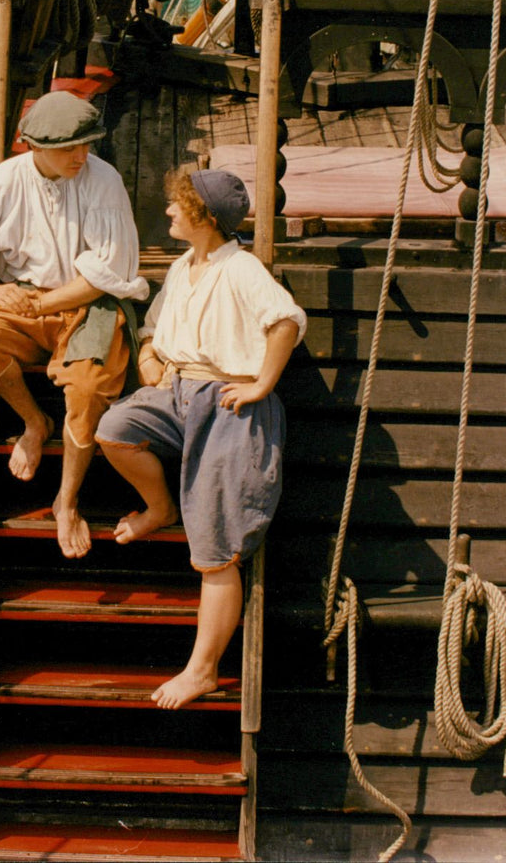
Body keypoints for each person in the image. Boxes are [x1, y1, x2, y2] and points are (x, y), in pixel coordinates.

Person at [96, 167, 306, 710]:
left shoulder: (241, 269)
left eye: (177, 205)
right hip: (179, 395)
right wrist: (148, 355)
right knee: (115, 429)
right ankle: (160, 506)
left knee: (214, 547)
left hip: (230, 405)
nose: (168, 212)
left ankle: (202, 669)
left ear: (205, 217)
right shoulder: (183, 266)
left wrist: (262, 382)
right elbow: (155, 327)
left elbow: (284, 321)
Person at [0, 90, 149, 559]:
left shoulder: (103, 181)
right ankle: (35, 421)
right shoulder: (3, 182)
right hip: (27, 297)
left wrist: (48, 303)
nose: (81, 155)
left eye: (87, 145)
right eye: (70, 147)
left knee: (88, 388)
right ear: (34, 146)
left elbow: (106, 271)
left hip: (87, 300)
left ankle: (66, 501)